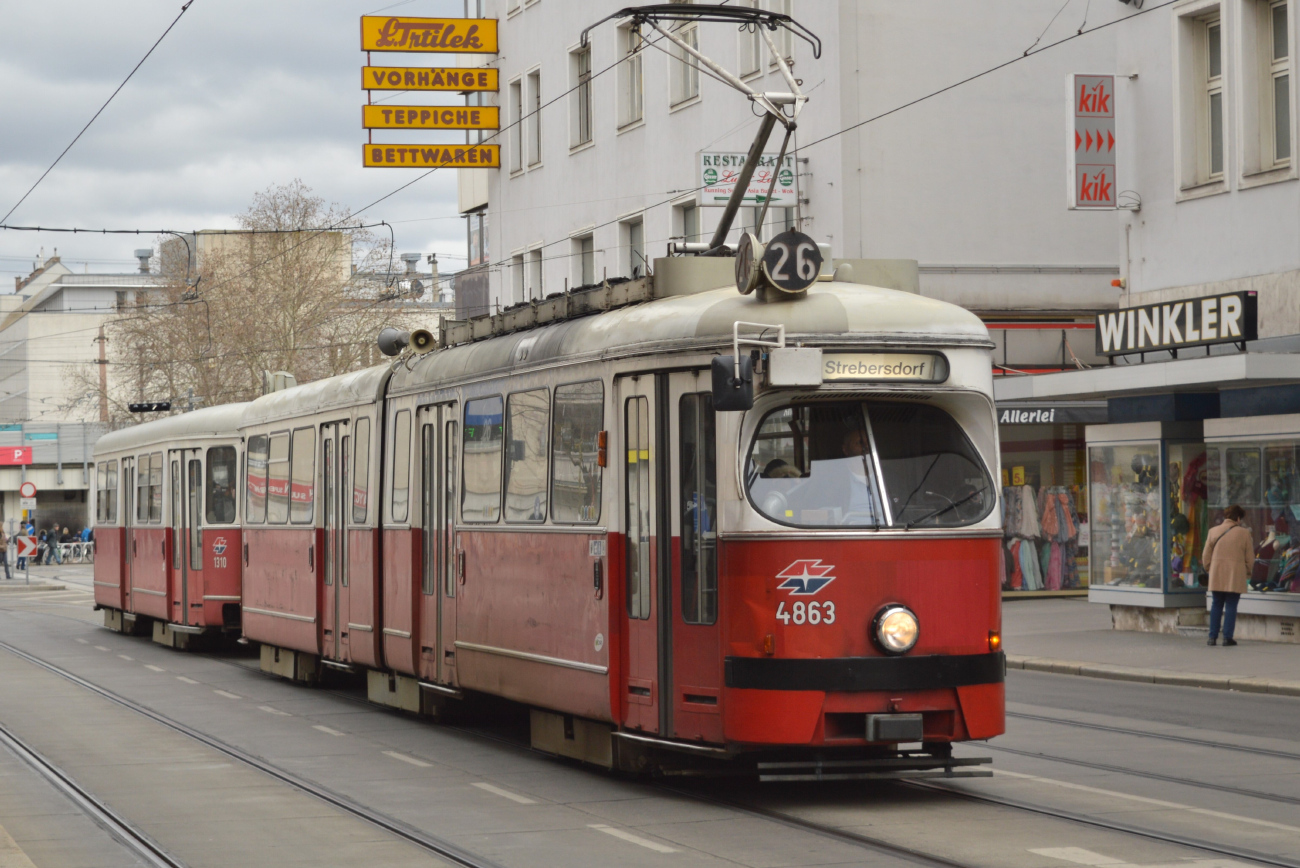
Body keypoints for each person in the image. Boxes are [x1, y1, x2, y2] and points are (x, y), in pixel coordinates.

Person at [1202, 504, 1253, 646]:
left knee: (1216, 604)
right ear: (1237, 518)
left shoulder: (1213, 531)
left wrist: (1209, 569)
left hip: (1217, 573)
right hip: (1235, 575)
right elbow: (1250, 558)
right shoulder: (1244, 533)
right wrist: (1247, 572)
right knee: (1231, 605)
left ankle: (1212, 637)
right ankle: (1227, 637)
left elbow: (1206, 555)